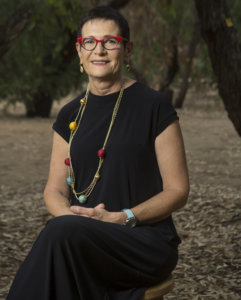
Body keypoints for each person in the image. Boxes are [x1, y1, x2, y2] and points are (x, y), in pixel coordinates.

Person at [7, 5, 189, 300]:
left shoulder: (155, 106)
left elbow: (178, 190)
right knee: (61, 237)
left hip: (142, 240)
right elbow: (53, 189)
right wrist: (73, 221)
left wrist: (123, 217)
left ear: (126, 50)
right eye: (89, 42)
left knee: (58, 239)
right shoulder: (69, 114)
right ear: (80, 52)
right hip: (80, 239)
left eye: (110, 42)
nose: (99, 50)